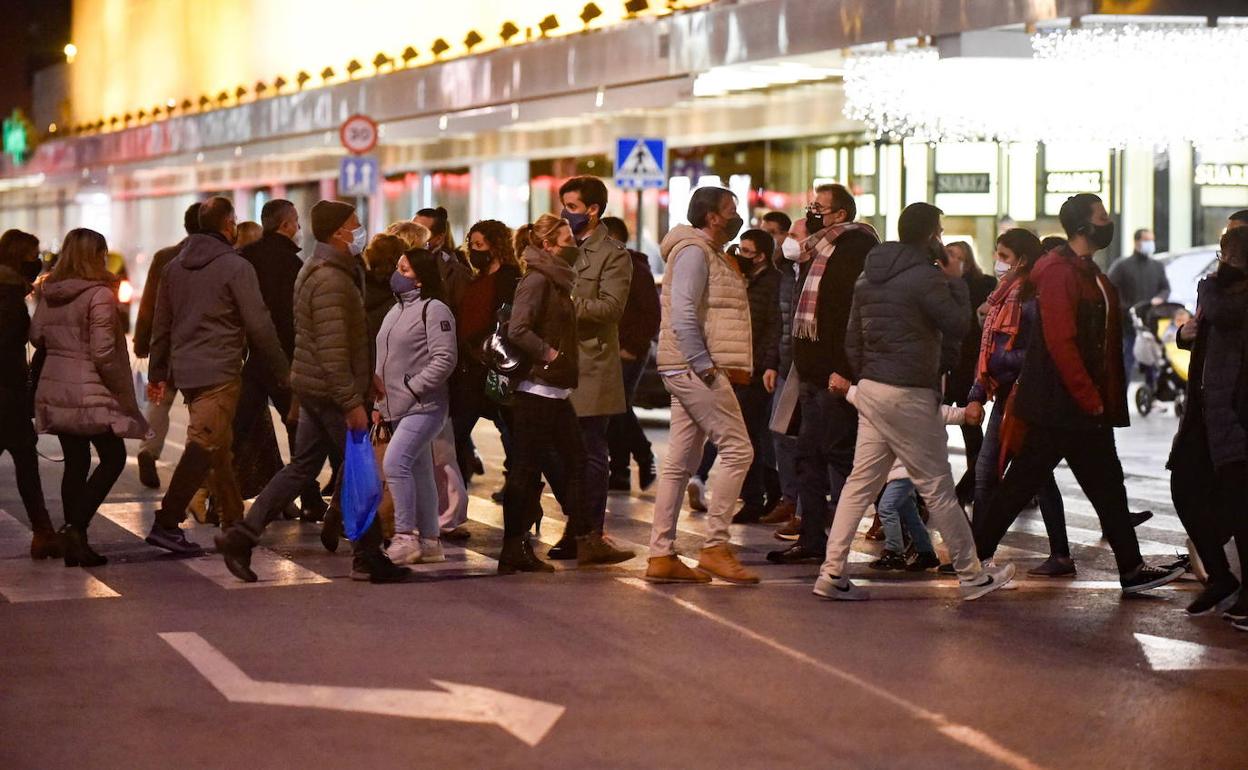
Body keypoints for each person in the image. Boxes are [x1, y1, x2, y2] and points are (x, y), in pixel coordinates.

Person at [973, 193, 1185, 596]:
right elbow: (1061, 341)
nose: (1109, 221)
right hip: (1065, 404)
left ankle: (1131, 567)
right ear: (1084, 226)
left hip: (1072, 403)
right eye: (1102, 215)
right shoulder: (1059, 271)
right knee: (1041, 484)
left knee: (1091, 484)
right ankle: (1130, 567)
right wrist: (1089, 397)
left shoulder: (1084, 270)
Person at [814, 202, 1014, 602]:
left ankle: (831, 571)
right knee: (937, 485)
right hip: (910, 392)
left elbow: (852, 339)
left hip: (873, 388)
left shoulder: (868, 277)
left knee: (859, 484)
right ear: (929, 235)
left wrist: (870, 373)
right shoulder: (927, 278)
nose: (941, 238)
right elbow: (958, 323)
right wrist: (956, 280)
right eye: (938, 231)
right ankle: (972, 574)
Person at [216, 200, 410, 583]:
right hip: (330, 393)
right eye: (354, 225)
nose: (359, 231)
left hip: (316, 387)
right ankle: (368, 556)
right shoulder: (330, 279)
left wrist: (365, 372)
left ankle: (241, 537)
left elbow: (334, 339)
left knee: (302, 468)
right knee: (361, 473)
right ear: (339, 232)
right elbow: (331, 346)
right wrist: (350, 400)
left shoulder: (321, 269)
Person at [146, 196, 290, 552]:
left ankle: (233, 520)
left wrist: (157, 371)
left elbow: (160, 325)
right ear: (229, 225)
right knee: (203, 443)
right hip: (220, 371)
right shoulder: (235, 267)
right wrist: (282, 370)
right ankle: (166, 521)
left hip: (187, 372)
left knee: (220, 449)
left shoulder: (174, 266)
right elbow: (259, 324)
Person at [503, 214, 634, 572]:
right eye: (566, 240)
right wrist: (549, 354)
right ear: (548, 246)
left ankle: (584, 537)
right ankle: (515, 548)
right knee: (528, 469)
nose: (574, 244)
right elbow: (518, 328)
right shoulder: (538, 279)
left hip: (555, 389)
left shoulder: (558, 278)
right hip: (537, 389)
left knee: (575, 463)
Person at [645, 186, 757, 585]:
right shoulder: (694, 251)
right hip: (694, 366)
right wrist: (704, 365)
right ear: (712, 216)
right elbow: (684, 311)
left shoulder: (708, 253)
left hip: (686, 365)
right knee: (738, 449)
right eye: (731, 210)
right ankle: (715, 546)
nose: (736, 216)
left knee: (678, 463)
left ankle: (661, 554)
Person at [768, 185, 880, 566]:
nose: (812, 212)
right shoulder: (816, 251)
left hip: (834, 374)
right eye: (811, 206)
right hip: (811, 372)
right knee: (809, 455)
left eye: (820, 207)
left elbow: (844, 315)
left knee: (839, 455)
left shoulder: (852, 250)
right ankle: (814, 538)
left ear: (841, 215)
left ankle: (894, 512)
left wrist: (843, 370)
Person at [30, 228, 149, 567]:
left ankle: (76, 542)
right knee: (112, 458)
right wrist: (120, 389)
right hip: (91, 388)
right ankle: (74, 528)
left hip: (57, 387)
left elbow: (37, 335)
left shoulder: (50, 291)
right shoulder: (99, 295)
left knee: (77, 462)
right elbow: (103, 352)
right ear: (94, 255)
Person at [967, 229, 1071, 576]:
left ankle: (979, 553)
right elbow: (989, 353)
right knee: (1028, 475)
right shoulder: (1002, 295)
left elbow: (1032, 353)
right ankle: (983, 553)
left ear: (1023, 260)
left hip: (1023, 395)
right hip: (1007, 394)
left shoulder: (1030, 298)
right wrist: (977, 394)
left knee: (1008, 474)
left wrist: (1002, 365)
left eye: (1005, 256)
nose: (998, 263)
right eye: (997, 254)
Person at [544, 176, 632, 560]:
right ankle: (575, 523)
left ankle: (587, 531)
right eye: (564, 206)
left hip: (591, 362)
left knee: (590, 452)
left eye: (574, 207)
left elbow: (611, 308)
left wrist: (564, 308)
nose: (567, 213)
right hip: (554, 360)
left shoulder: (612, 254)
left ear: (594, 210)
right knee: (555, 450)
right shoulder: (559, 246)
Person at [1168, 226, 1248, 625]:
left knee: (1239, 504)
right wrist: (1185, 334)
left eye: (1227, 256)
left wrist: (1209, 286)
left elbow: (1221, 314)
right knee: (1183, 485)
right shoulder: (1221, 292)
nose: (1221, 263)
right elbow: (1207, 330)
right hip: (1205, 410)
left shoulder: (1225, 294)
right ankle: (1220, 576)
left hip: (1235, 412)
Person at [235, 198, 326, 521]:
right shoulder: (292, 265)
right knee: (298, 428)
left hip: (254, 358)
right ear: (286, 225)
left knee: (238, 428)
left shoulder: (246, 258)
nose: (299, 229)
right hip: (286, 358)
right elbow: (296, 318)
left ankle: (218, 494)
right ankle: (311, 499)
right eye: (297, 222)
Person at [689, 228, 781, 523]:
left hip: (755, 369)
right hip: (734, 366)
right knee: (738, 431)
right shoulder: (742, 278)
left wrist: (767, 363)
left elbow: (772, 328)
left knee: (747, 434)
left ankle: (757, 498)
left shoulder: (772, 283)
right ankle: (756, 496)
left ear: (762, 256)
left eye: (747, 251)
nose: (740, 255)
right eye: (738, 249)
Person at [377, 248, 457, 566]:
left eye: (406, 269)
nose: (398, 274)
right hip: (396, 405)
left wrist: (413, 386)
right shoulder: (394, 310)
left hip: (424, 406)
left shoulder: (435, 310)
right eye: (398, 267)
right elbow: (384, 359)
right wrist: (379, 401)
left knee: (395, 464)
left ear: (421, 279)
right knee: (420, 470)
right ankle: (430, 539)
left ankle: (405, 536)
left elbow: (445, 359)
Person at [132, 201, 201, 489]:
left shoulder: (165, 256)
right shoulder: (218, 258)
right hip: (198, 344)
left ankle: (148, 450)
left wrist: (142, 339)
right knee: (200, 409)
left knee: (159, 401)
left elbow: (149, 302)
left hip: (167, 343)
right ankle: (194, 465)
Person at [844, 385, 948, 573]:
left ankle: (894, 551)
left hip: (905, 472)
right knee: (908, 511)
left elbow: (943, 413)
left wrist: (966, 414)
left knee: (887, 507)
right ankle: (926, 553)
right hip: (901, 472)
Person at [449, 220, 521, 483]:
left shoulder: (509, 278)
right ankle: (458, 482)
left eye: (480, 245)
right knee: (456, 430)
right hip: (470, 367)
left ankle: (520, 486)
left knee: (509, 429)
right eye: (472, 245)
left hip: (494, 366)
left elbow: (504, 321)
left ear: (497, 246)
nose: (475, 251)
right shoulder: (476, 279)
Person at [0, 229, 57, 558]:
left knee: (26, 463)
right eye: (33, 256)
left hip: (7, 392)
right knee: (25, 463)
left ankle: (44, 531)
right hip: (7, 394)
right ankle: (43, 532)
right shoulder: (9, 296)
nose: (37, 263)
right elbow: (7, 350)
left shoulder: (11, 291)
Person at [603, 216, 660, 494]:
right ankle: (620, 470)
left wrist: (633, 347)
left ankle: (644, 455)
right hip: (606, 349)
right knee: (612, 410)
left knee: (618, 407)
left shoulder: (635, 268)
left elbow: (652, 314)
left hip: (628, 352)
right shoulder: (604, 267)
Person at [944, 241, 996, 506]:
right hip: (947, 367)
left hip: (969, 365)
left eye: (956, 255)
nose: (950, 259)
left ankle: (976, 484)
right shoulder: (939, 285)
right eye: (948, 253)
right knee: (935, 424)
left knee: (971, 426)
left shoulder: (983, 285)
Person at [759, 210, 801, 528]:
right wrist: (773, 363)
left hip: (809, 367)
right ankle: (790, 500)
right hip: (788, 365)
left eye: (792, 236)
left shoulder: (812, 271)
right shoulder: (784, 273)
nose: (787, 242)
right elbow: (779, 322)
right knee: (780, 433)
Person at [1107, 228, 1169, 380]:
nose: (1150, 244)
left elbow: (1165, 288)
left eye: (1151, 240)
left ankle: (1152, 397)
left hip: (1151, 324)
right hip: (1129, 324)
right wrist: (1124, 308)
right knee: (1126, 362)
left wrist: (1160, 299)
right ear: (1136, 242)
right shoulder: (1122, 266)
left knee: (1153, 363)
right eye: (1146, 240)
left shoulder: (1157, 266)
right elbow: (1110, 290)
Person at [413, 207, 469, 311]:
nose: (412, 237)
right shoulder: (399, 262)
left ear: (438, 238)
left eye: (421, 233)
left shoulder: (455, 273)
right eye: (410, 229)